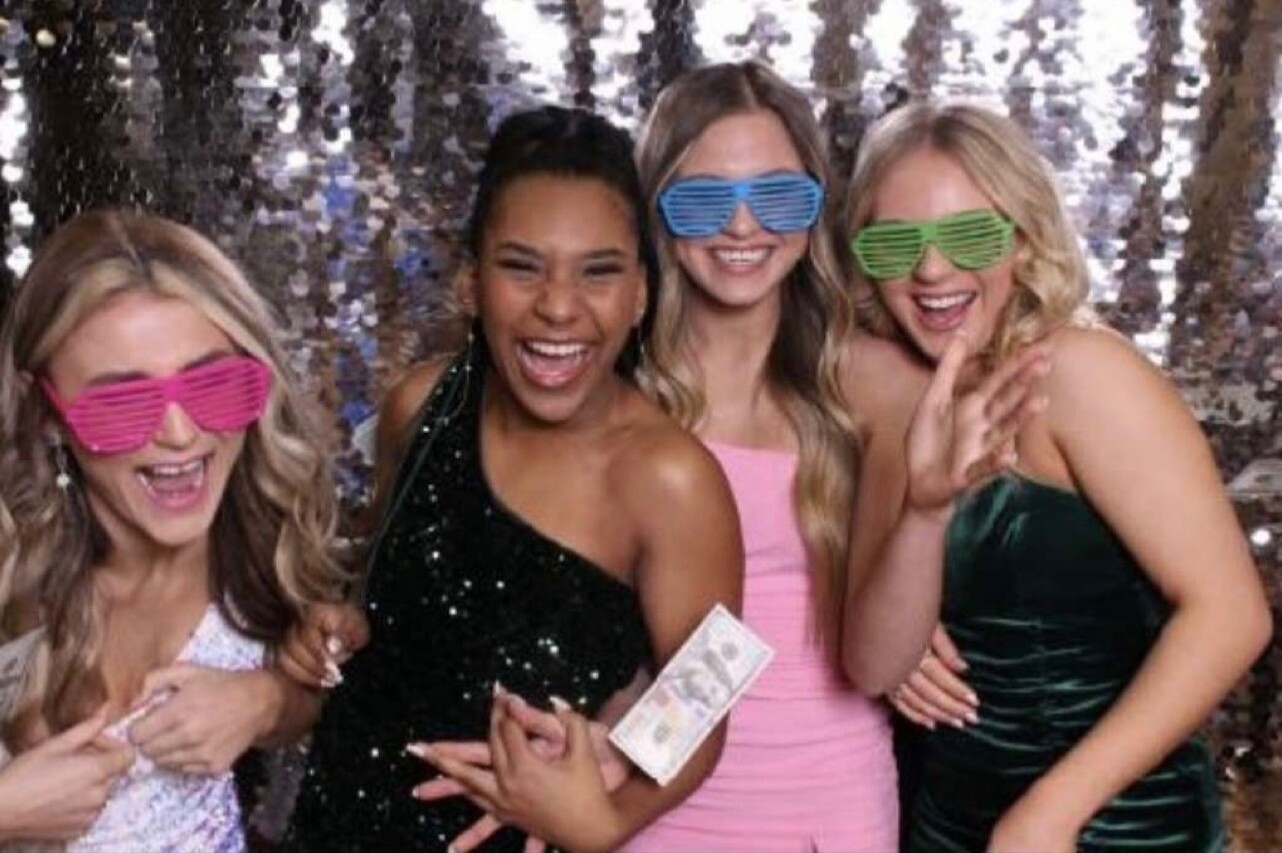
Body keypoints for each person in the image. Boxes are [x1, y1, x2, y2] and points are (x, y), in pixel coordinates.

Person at [279, 105, 743, 853]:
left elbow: (704, 694)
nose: (557, 306)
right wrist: (335, 627)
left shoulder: (672, 477)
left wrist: (605, 822)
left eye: (599, 272)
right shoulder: (419, 405)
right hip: (336, 824)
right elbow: (382, 593)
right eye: (522, 267)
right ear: (471, 283)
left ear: (640, 294)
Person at [840, 101, 1272, 852]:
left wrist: (1051, 812)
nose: (931, 269)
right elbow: (873, 661)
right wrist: (919, 542)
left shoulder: (1080, 373)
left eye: (970, 235)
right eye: (895, 243)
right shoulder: (890, 393)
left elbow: (1231, 614)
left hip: (1114, 826)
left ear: (1023, 238)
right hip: (946, 824)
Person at [0, 210, 344, 852]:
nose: (181, 433)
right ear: (46, 415)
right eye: (122, 401)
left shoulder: (266, 555)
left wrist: (267, 701)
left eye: (214, 383)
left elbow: (329, 689)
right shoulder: (8, 574)